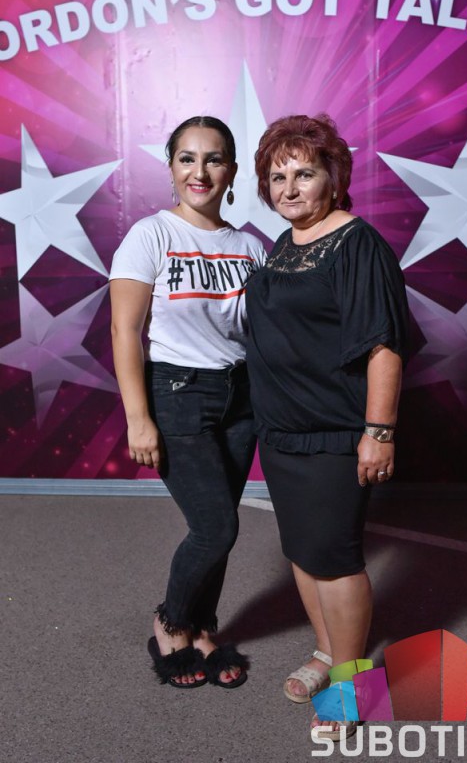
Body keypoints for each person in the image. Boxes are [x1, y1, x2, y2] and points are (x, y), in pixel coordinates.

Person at [245, 114, 409, 737]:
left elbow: (383, 346)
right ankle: (325, 651)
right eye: (277, 177)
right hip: (281, 432)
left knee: (336, 559)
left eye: (304, 173)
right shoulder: (284, 245)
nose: (289, 188)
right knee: (302, 551)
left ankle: (352, 681)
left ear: (334, 178)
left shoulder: (357, 244)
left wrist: (379, 432)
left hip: (335, 432)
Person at [110, 116, 266, 690]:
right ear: (171, 167)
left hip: (241, 396)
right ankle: (170, 622)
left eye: (214, 159)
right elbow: (125, 331)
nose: (200, 171)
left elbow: (265, 334)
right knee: (215, 526)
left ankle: (202, 627)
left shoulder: (250, 247)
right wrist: (138, 419)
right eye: (187, 158)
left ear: (231, 171)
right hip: (178, 393)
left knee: (222, 524)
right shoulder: (150, 235)